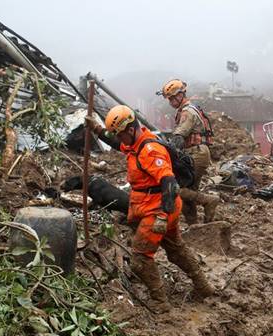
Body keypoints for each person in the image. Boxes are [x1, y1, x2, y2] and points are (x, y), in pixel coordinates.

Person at [87, 105, 213, 312]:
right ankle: (203, 286)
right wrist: (98, 130)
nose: (118, 139)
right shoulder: (135, 142)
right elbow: (120, 146)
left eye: (119, 134)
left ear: (129, 130)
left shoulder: (150, 150)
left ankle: (160, 301)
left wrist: (162, 216)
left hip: (159, 209)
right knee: (176, 250)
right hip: (155, 207)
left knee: (140, 257)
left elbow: (170, 183)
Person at [160, 79, 222, 224]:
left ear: (180, 95)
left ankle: (209, 201)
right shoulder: (187, 109)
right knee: (188, 193)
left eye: (172, 98)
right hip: (195, 153)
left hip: (196, 154)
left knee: (178, 189)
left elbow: (179, 137)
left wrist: (167, 152)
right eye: (169, 99)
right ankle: (193, 226)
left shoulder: (187, 112)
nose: (170, 102)